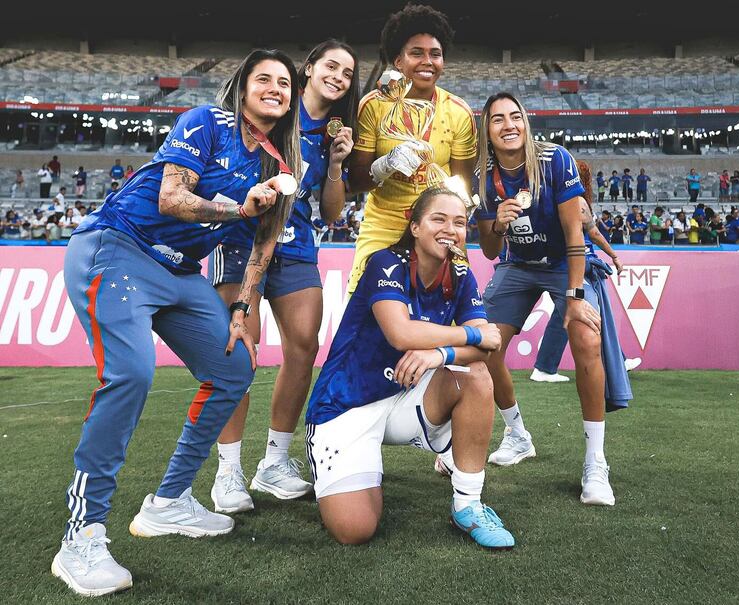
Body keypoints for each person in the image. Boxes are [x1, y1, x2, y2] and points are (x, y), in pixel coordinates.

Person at [51, 48, 302, 597]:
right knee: (131, 375)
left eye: (285, 83)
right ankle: (81, 538)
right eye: (265, 78)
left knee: (234, 369)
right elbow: (169, 198)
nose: (277, 89)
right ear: (242, 86)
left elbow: (263, 243)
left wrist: (242, 308)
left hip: (181, 272)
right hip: (118, 247)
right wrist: (239, 209)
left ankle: (169, 503)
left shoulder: (280, 164)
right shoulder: (205, 121)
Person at [305, 186, 515, 549]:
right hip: (348, 404)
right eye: (439, 219)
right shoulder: (385, 262)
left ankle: (468, 504)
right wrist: (467, 335)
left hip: (407, 395)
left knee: (476, 377)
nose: (451, 229)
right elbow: (401, 333)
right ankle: (347, 467)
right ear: (414, 226)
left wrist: (440, 356)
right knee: (355, 530)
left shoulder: (461, 273)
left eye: (460, 223)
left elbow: (489, 346)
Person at [207, 40, 359, 513]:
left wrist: (335, 164)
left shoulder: (336, 133)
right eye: (330, 66)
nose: (338, 76)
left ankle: (274, 462)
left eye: (348, 73)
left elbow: (332, 213)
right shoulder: (270, 108)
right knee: (237, 354)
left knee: (303, 346)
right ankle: (228, 472)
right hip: (234, 240)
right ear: (309, 68)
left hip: (295, 246)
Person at [460, 92, 628, 506]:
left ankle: (595, 461)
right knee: (482, 345)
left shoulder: (556, 160)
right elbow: (489, 251)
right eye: (497, 119)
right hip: (517, 265)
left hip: (562, 263)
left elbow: (575, 234)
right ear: (487, 130)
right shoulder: (481, 176)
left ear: (526, 122)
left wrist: (573, 297)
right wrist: (496, 225)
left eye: (515, 116)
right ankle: (517, 434)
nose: (508, 125)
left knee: (586, 337)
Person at [347, 3, 477, 295]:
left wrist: (451, 213)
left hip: (440, 227)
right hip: (384, 223)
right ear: (398, 61)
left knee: (450, 311)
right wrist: (386, 165)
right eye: (416, 53)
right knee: (363, 314)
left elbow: (464, 183)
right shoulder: (372, 106)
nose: (427, 61)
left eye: (435, 54)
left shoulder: (460, 113)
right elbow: (354, 181)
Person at [531, 160, 626, 383]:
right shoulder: (576, 200)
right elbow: (593, 233)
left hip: (564, 261)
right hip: (577, 262)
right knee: (587, 311)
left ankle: (546, 366)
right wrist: (613, 255)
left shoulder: (553, 197)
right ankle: (545, 367)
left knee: (573, 312)